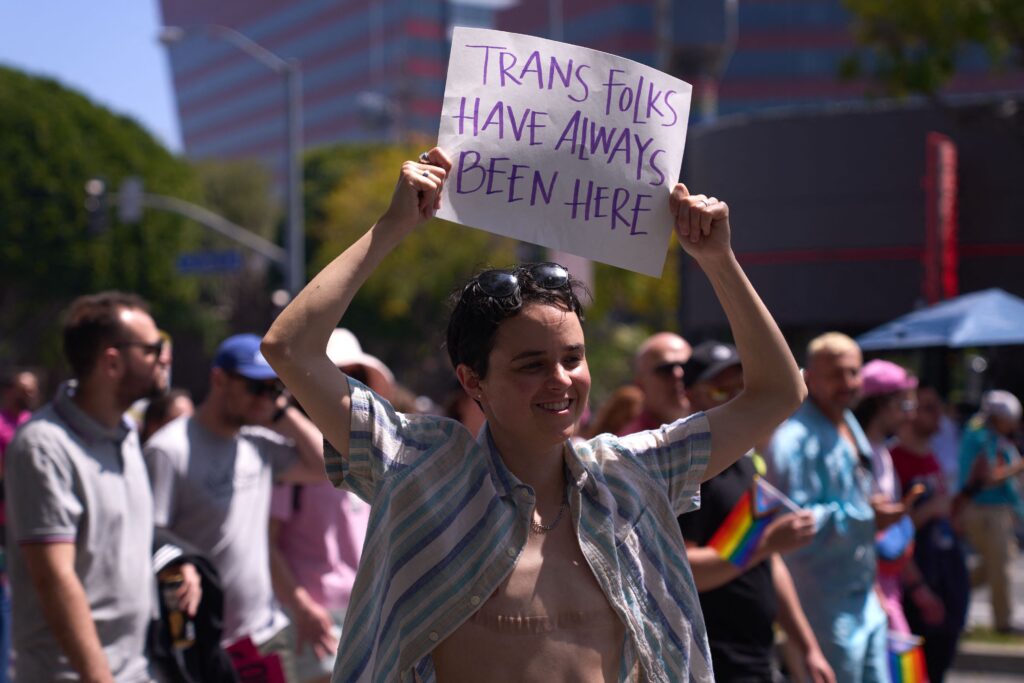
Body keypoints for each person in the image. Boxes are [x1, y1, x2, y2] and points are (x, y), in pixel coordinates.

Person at [261, 147, 806, 681]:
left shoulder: (633, 475)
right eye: (531, 364)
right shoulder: (417, 468)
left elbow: (778, 392)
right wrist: (392, 226)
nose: (561, 379)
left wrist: (718, 261)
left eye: (573, 358)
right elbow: (290, 348)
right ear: (473, 381)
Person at [5, 292, 200, 682]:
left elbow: (123, 531)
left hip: (138, 669)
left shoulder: (126, 433)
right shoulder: (44, 446)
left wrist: (175, 558)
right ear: (112, 362)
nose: (165, 355)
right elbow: (54, 579)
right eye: (153, 347)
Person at [143, 333, 328, 680]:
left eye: (272, 389)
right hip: (198, 643)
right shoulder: (169, 449)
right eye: (255, 387)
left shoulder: (258, 445)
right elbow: (148, 534)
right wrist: (181, 566)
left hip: (263, 637)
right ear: (219, 380)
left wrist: (283, 411)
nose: (263, 399)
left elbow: (324, 466)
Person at [678, 341, 834, 683]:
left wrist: (808, 647)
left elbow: (769, 561)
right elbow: (685, 570)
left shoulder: (745, 465)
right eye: (721, 390)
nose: (735, 400)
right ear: (689, 395)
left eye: (741, 388)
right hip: (714, 662)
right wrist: (765, 542)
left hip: (757, 658)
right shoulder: (690, 473)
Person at [768, 333, 916, 682]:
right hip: (822, 605)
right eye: (836, 374)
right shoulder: (793, 440)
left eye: (853, 372)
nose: (848, 383)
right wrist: (866, 518)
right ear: (809, 378)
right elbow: (792, 522)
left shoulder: (848, 422)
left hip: (865, 596)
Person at [269, 329, 374, 683]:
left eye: (354, 376)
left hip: (365, 607)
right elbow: (268, 544)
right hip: (314, 613)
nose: (346, 386)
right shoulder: (289, 454)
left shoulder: (373, 449)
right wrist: (301, 607)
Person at [889, 383, 970, 682]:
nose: (939, 415)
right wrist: (918, 587)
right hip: (918, 581)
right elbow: (888, 534)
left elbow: (946, 512)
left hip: (946, 573)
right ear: (909, 413)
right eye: (929, 407)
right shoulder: (894, 459)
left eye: (938, 406)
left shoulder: (931, 456)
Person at [852, 359, 919, 635]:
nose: (910, 415)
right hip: (872, 582)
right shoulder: (861, 453)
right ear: (881, 404)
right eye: (905, 405)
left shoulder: (880, 450)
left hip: (888, 581)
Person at [958, 389, 1024, 633]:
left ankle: (955, 589)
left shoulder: (988, 436)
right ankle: (1004, 622)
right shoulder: (981, 438)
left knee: (998, 563)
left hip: (994, 509)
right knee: (1001, 565)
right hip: (984, 508)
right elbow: (987, 478)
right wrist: (1018, 468)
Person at [0, 369, 39, 682]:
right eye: (23, 388)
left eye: (33, 389)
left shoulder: (34, 424)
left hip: (26, 523)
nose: (28, 394)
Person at [618, 332, 692, 434]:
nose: (678, 374)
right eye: (666, 369)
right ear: (640, 384)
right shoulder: (635, 444)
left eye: (687, 367)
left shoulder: (712, 429)